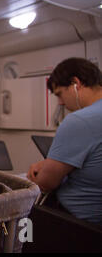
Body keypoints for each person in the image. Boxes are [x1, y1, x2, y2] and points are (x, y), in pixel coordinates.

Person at [27, 57, 102, 225]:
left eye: (60, 94)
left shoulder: (79, 120)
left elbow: (46, 183)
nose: (61, 103)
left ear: (76, 83)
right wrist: (49, 163)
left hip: (78, 225)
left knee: (23, 227)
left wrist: (44, 171)